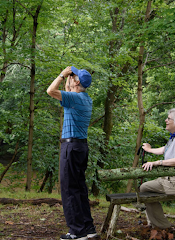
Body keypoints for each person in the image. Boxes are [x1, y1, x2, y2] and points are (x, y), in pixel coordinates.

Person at [46, 66, 99, 240]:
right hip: (81, 147)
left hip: (71, 147)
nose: (69, 78)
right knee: (79, 188)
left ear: (76, 82)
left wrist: (61, 74)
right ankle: (88, 228)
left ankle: (77, 231)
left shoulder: (74, 99)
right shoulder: (85, 99)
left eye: (72, 76)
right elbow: (66, 91)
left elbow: (51, 90)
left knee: (69, 189)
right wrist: (69, 81)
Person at [140, 108, 175, 230]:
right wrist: (149, 149)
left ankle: (162, 226)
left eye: (169, 118)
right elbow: (164, 150)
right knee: (144, 187)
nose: (166, 120)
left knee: (144, 189)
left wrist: (157, 163)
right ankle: (155, 223)